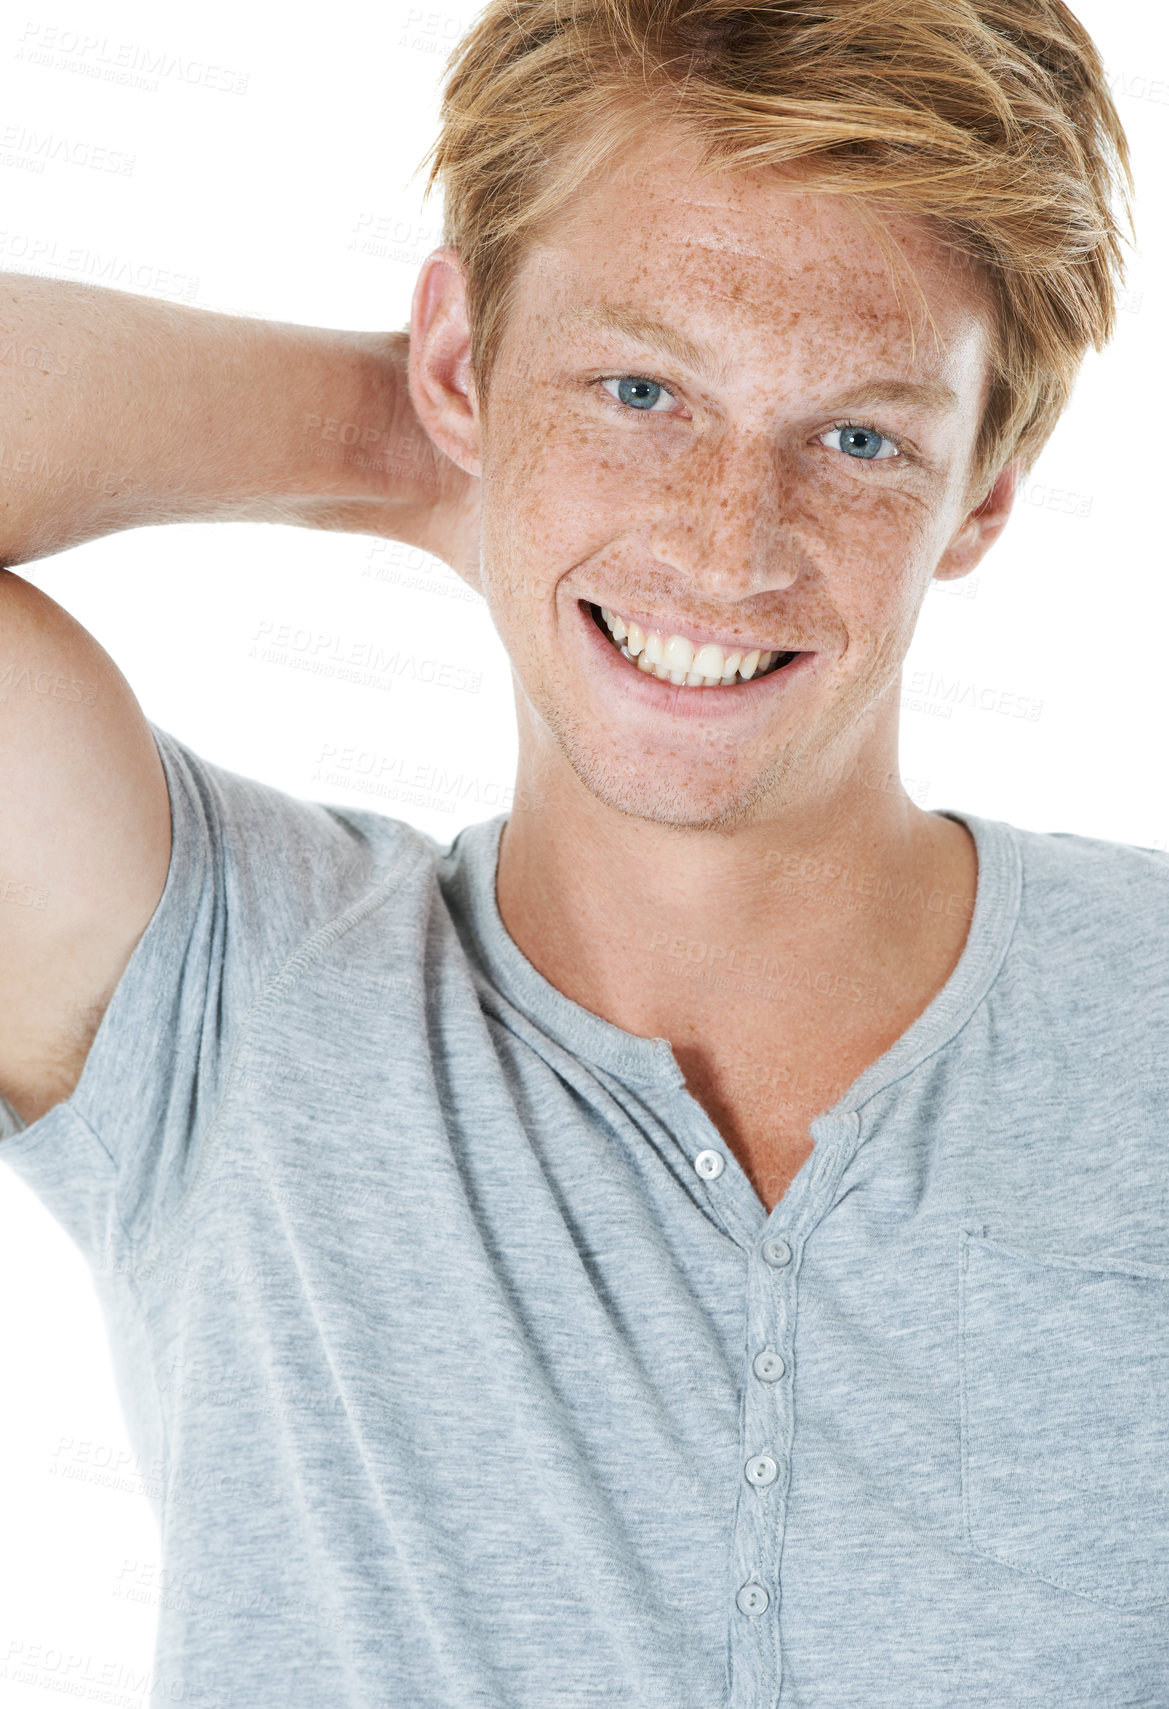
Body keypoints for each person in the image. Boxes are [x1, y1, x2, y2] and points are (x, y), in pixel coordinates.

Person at [1, 0, 1164, 1703]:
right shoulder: (227, 1004)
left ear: (983, 486)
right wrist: (409, 444)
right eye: (640, 388)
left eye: (855, 437)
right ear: (466, 359)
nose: (724, 542)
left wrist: (562, 430)